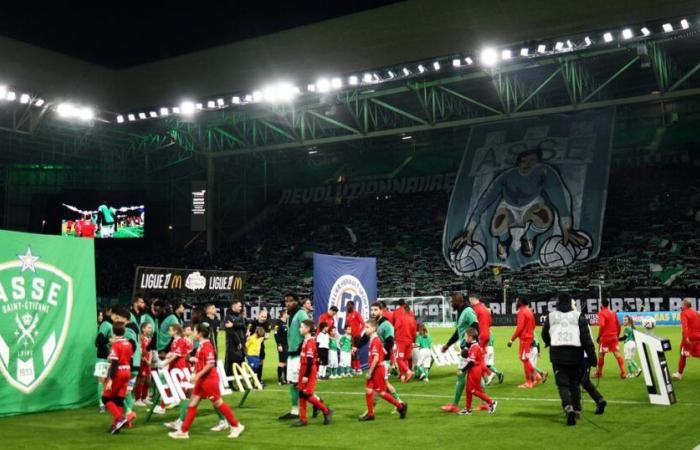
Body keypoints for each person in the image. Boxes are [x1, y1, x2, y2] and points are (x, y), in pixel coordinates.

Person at [168, 324, 245, 439]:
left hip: (209, 379)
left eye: (194, 331)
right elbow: (203, 362)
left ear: (199, 333)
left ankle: (236, 425)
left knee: (218, 403)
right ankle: (183, 431)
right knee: (192, 403)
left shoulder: (207, 345)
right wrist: (195, 370)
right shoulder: (201, 345)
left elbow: (210, 364)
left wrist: (197, 375)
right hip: (202, 379)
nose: (192, 333)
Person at [542, 293, 598, 426]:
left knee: (563, 385)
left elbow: (544, 334)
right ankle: (577, 410)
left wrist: (551, 342)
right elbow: (587, 340)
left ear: (558, 302)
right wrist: (592, 358)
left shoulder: (551, 316)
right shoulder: (579, 317)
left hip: (558, 356)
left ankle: (568, 408)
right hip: (576, 355)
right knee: (574, 384)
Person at [358, 319, 408, 422]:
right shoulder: (372, 340)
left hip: (377, 370)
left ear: (374, 328)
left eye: (367, 327)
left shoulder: (376, 341)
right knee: (368, 391)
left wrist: (370, 372)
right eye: (365, 327)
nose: (365, 329)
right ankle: (371, 414)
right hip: (374, 369)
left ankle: (400, 406)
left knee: (381, 393)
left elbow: (376, 359)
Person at [440, 293, 478, 413]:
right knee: (475, 377)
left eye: (453, 301)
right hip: (467, 348)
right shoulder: (462, 312)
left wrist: (468, 347)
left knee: (461, 376)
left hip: (467, 350)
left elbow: (476, 327)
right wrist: (448, 345)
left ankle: (455, 405)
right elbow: (459, 332)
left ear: (459, 301)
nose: (451, 303)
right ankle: (486, 403)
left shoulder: (467, 311)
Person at [292, 320, 333, 427]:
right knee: (301, 393)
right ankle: (303, 419)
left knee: (307, 395)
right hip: (303, 368)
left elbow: (310, 361)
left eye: (301, 327)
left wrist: (306, 375)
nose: (299, 329)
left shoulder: (310, 342)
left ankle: (326, 410)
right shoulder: (305, 340)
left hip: (308, 370)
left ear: (307, 329)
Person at [279, 294, 309, 420]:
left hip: (298, 354)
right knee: (293, 383)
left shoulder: (301, 314)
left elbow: (308, 330)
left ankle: (319, 404)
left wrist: (302, 349)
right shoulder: (290, 315)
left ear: (296, 302)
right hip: (291, 354)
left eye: (290, 301)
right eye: (286, 301)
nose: (288, 303)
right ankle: (294, 410)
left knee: (299, 384)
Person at [110, 306, 140, 427]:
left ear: (125, 318)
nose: (116, 320)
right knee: (127, 392)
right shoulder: (134, 328)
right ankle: (127, 419)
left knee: (118, 392)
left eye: (118, 317)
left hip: (128, 366)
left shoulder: (128, 330)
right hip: (134, 365)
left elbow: (132, 345)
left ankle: (127, 412)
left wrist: (117, 343)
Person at [102, 322, 133, 434]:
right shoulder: (128, 344)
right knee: (118, 400)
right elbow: (131, 358)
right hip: (127, 370)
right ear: (124, 331)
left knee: (106, 398)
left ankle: (120, 418)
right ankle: (116, 427)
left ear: (113, 332)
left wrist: (110, 379)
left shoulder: (116, 345)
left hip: (118, 372)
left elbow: (114, 362)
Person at [459, 327, 498, 416]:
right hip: (474, 369)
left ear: (470, 337)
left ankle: (492, 402)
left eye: (466, 336)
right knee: (468, 390)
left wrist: (462, 370)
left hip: (475, 371)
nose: (465, 338)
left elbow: (472, 362)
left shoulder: (475, 347)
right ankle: (468, 409)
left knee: (474, 390)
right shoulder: (474, 345)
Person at [508, 297, 540, 388]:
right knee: (524, 359)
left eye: (517, 301)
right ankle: (536, 376)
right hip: (530, 338)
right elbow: (534, 326)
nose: (516, 303)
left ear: (520, 303)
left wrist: (512, 339)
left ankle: (529, 382)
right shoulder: (529, 311)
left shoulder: (521, 311)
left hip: (525, 340)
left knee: (525, 360)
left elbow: (520, 327)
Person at [594, 298, 626, 378]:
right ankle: (623, 372)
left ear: (601, 305)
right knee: (617, 354)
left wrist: (599, 336)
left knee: (601, 355)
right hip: (613, 337)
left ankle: (599, 373)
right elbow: (618, 325)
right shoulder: (613, 313)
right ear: (608, 305)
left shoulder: (601, 313)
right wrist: (617, 335)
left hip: (605, 338)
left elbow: (602, 325)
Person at [469, 295, 496, 384]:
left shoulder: (475, 309)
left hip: (480, 336)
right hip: (487, 335)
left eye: (470, 301)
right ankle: (486, 377)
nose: (470, 303)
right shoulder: (485, 308)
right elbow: (490, 322)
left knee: (477, 358)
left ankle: (488, 374)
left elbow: (473, 323)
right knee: (481, 357)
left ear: (473, 300)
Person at [673, 299, 700, 380]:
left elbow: (685, 326)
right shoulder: (696, 313)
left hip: (689, 338)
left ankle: (679, 374)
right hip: (698, 337)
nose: (681, 306)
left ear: (685, 305)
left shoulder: (684, 313)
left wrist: (686, 337)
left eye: (682, 304)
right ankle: (679, 373)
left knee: (683, 354)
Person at [223, 300, 247, 386]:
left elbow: (243, 326)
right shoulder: (228, 316)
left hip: (241, 342)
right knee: (230, 363)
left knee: (241, 361)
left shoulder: (240, 316)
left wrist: (234, 324)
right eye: (239, 306)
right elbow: (230, 331)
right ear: (234, 306)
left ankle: (241, 381)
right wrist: (238, 342)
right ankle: (229, 383)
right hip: (232, 343)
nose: (241, 308)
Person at [95, 306, 113, 413]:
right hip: (102, 357)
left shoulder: (109, 325)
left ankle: (106, 402)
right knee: (102, 381)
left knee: (107, 381)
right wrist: (109, 341)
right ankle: (102, 404)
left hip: (110, 358)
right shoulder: (105, 325)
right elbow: (99, 340)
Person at [393, 299, 416, 382]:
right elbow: (414, 333)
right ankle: (403, 376)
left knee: (399, 359)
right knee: (405, 359)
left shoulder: (400, 318)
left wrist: (394, 338)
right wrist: (413, 342)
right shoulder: (413, 319)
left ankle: (408, 371)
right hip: (409, 341)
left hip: (401, 341)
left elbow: (395, 328)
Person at [134, 321, 153, 406]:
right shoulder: (140, 339)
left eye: (150, 327)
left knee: (148, 381)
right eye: (148, 327)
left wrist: (150, 360)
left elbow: (151, 351)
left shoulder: (149, 338)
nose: (150, 329)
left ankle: (144, 397)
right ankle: (138, 399)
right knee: (141, 380)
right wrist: (146, 360)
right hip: (142, 362)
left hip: (148, 363)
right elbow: (140, 352)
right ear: (143, 329)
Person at [345, 300, 366, 374]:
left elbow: (363, 324)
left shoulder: (357, 314)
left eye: (350, 305)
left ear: (353, 306)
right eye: (348, 305)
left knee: (356, 352)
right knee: (352, 353)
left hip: (356, 336)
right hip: (350, 337)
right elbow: (346, 325)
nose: (349, 306)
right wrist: (347, 333)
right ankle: (354, 368)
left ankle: (359, 368)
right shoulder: (347, 315)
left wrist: (358, 333)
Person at [274, 309, 289, 385]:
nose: (288, 314)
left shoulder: (286, 323)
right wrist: (279, 345)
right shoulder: (278, 323)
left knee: (286, 362)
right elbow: (275, 334)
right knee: (282, 362)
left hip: (287, 345)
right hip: (282, 345)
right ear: (283, 314)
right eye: (287, 313)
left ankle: (286, 379)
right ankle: (280, 380)